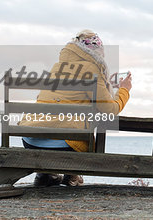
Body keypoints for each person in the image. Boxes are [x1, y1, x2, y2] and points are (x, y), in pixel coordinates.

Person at [18, 29, 132, 186]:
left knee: (64, 124)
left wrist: (105, 88)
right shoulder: (92, 69)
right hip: (64, 145)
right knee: (75, 133)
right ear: (97, 53)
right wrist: (124, 90)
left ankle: (48, 174)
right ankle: (71, 175)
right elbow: (110, 111)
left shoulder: (57, 67)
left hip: (30, 140)